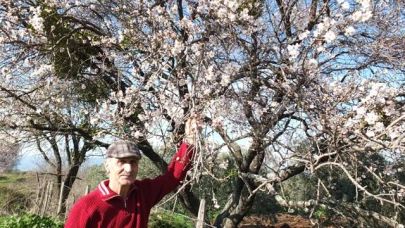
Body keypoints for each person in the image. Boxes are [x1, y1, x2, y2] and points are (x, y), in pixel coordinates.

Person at [64, 118, 199, 228]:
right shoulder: (87, 207)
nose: (128, 168)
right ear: (107, 166)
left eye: (133, 162)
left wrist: (189, 142)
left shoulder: (143, 193)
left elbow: (173, 177)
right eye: (121, 162)